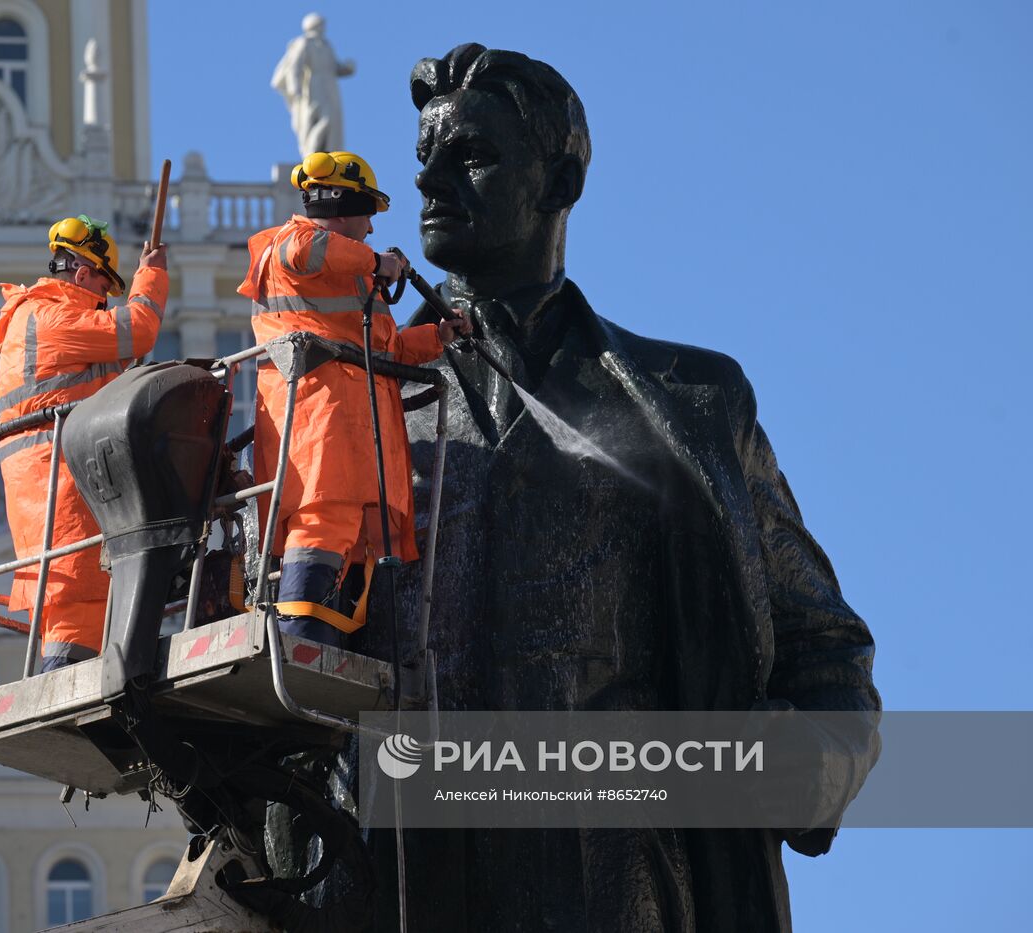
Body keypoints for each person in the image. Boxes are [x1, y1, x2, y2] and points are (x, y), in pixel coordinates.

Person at [283, 46, 882, 931]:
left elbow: (828, 659)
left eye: (471, 157)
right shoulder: (345, 402)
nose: (430, 186)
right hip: (400, 881)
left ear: (560, 179)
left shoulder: (696, 403)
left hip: (630, 884)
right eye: (424, 163)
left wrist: (795, 767)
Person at [238, 150, 471, 647]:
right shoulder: (290, 245)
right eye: (366, 215)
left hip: (358, 438)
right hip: (321, 428)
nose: (369, 229)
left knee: (351, 540)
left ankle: (323, 641)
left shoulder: (350, 280)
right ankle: (298, 641)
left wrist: (441, 335)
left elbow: (386, 349)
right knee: (322, 525)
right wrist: (379, 263)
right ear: (342, 207)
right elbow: (307, 251)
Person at [0, 215, 168, 672]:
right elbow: (138, 330)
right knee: (78, 600)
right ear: (82, 272)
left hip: (53, 475)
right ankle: (62, 694)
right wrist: (151, 274)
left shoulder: (45, 318)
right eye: (104, 287)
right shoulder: (48, 315)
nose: (105, 299)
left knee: (74, 604)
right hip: (61, 477)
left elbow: (115, 357)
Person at [271, 14, 355, 157]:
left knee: (332, 121)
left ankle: (329, 154)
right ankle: (312, 153)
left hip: (330, 87)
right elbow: (295, 67)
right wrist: (295, 89)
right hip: (313, 87)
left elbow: (334, 67)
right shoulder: (304, 43)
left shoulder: (326, 45)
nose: (323, 27)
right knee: (314, 120)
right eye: (320, 24)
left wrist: (347, 69)